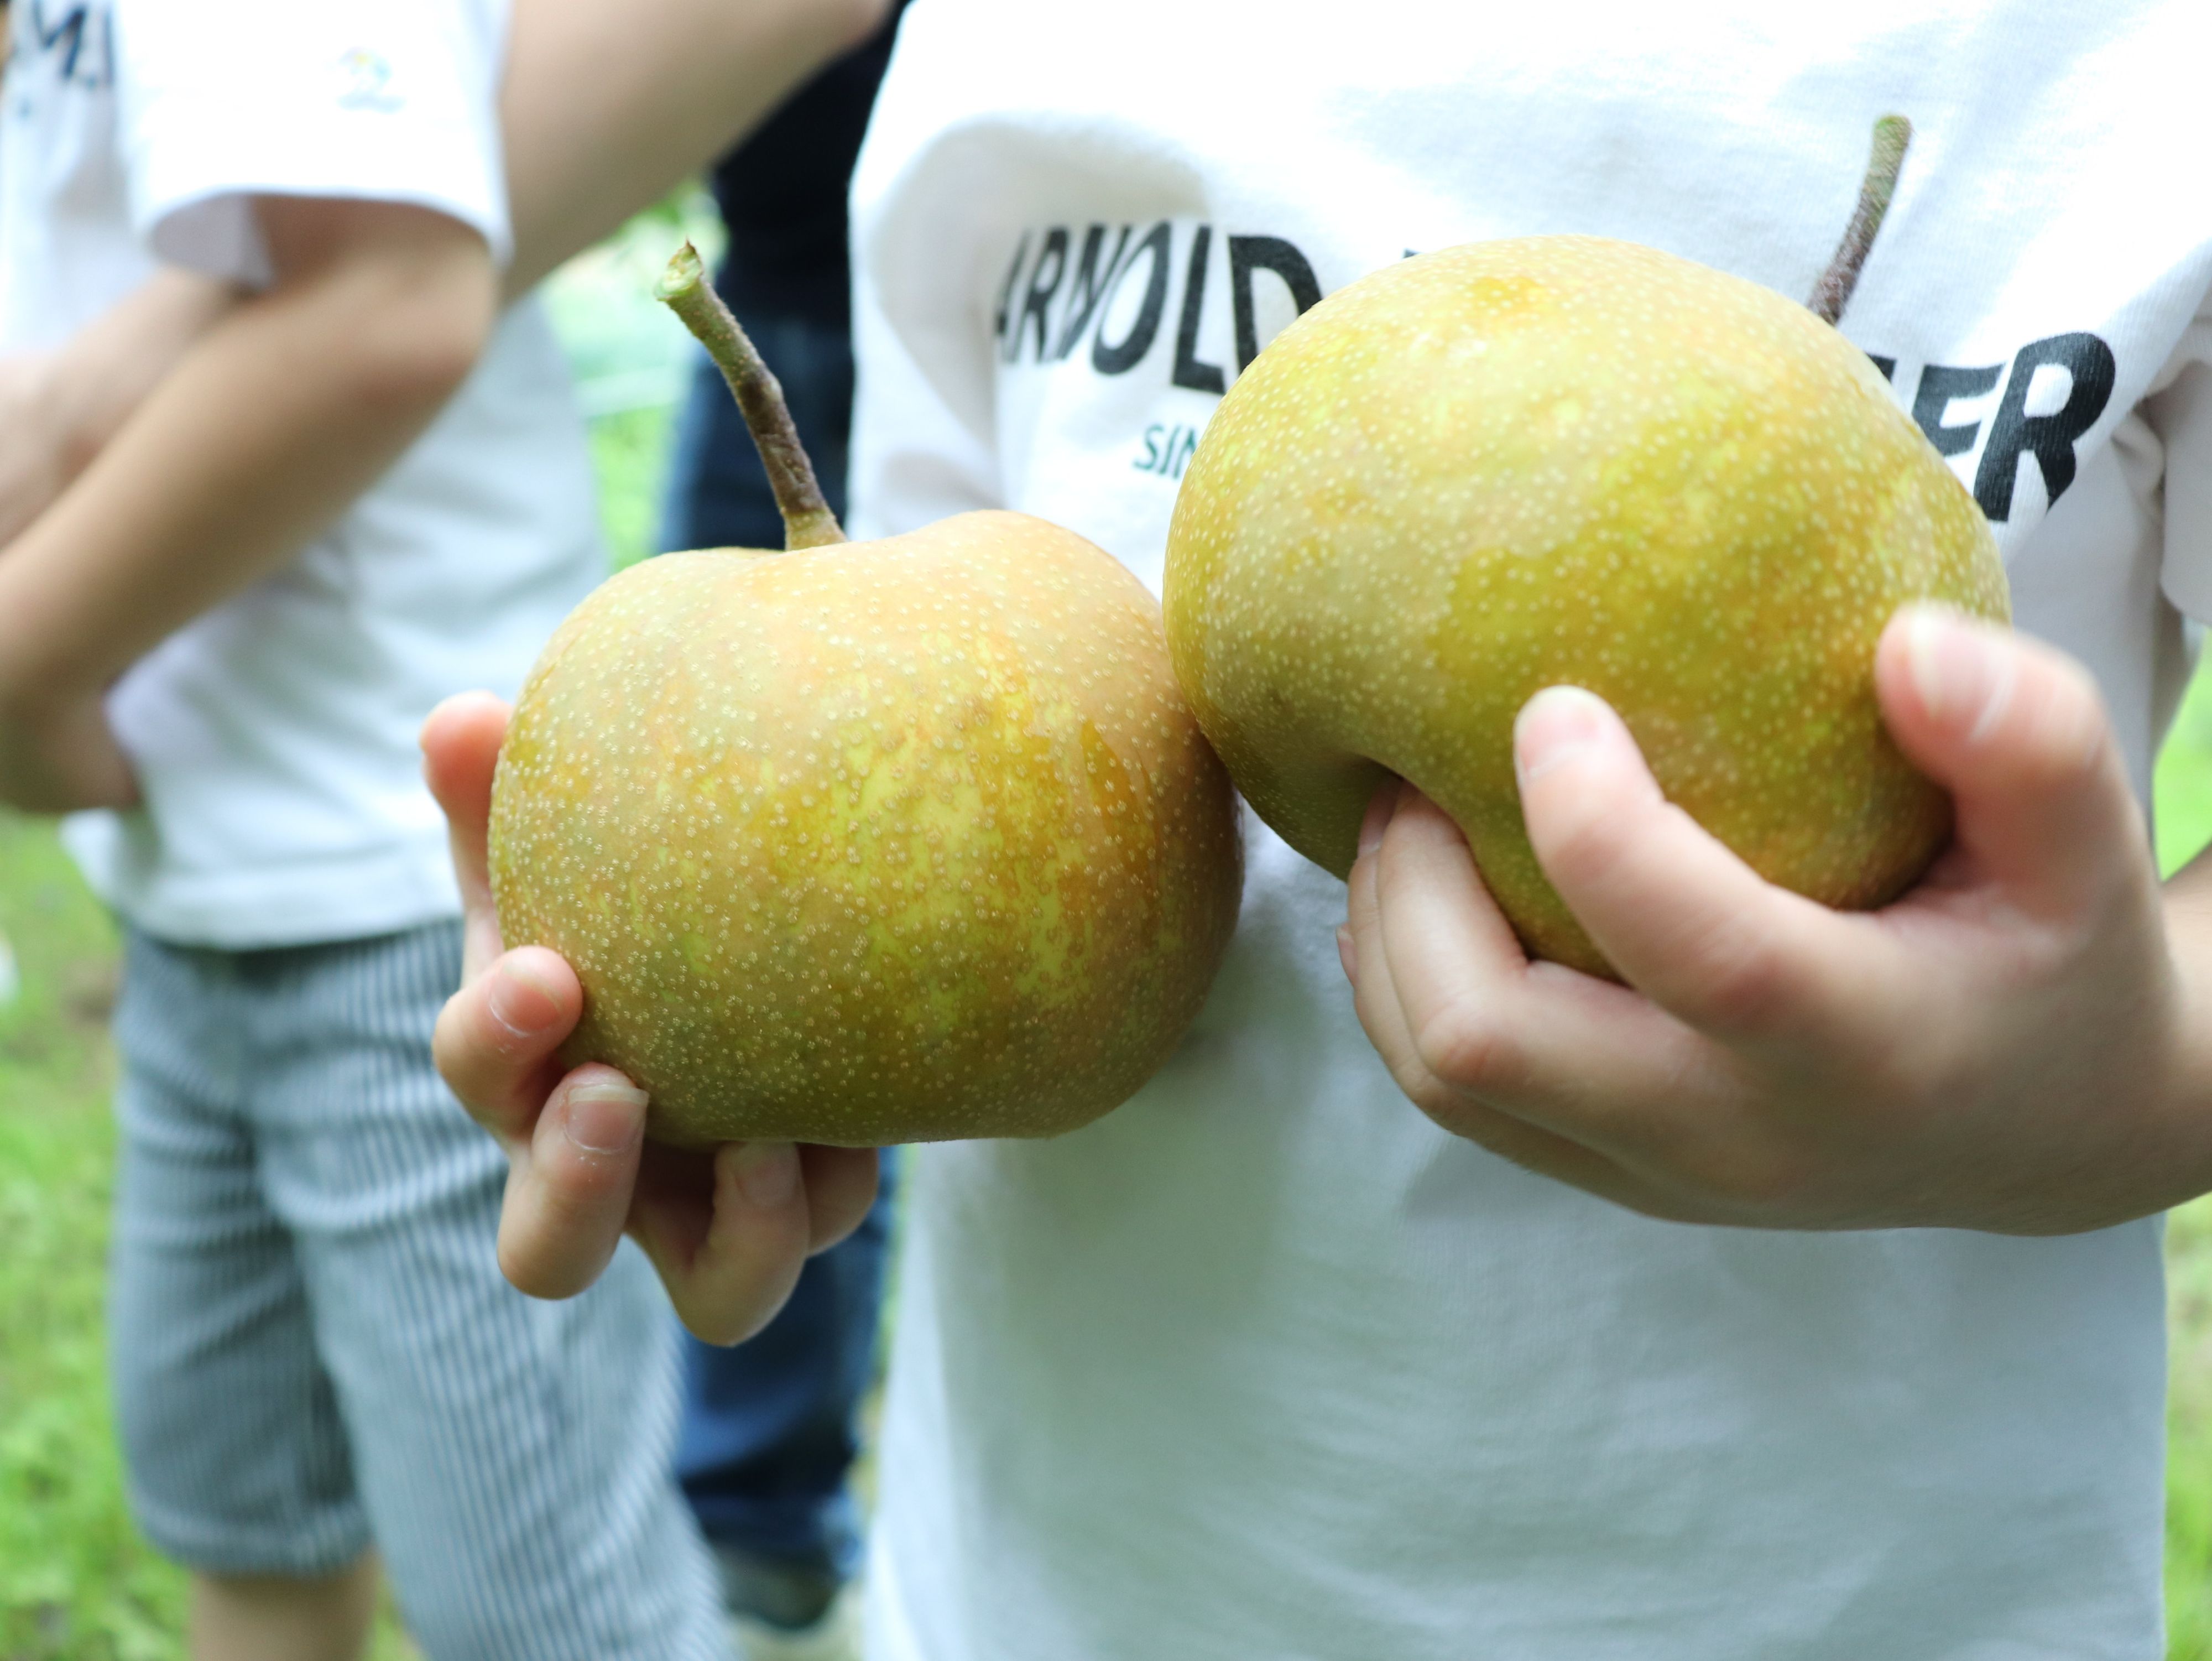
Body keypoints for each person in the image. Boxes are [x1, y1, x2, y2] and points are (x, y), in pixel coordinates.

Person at [429, 1, 2212, 1655]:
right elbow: (900, 642)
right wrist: (712, 967)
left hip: (1866, 1592)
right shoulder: (1000, 39)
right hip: (1050, 1571)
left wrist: (2130, 1090)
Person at [0, 0, 882, 1655]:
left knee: (547, 1608)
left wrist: (27, 659)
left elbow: (388, 310)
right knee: (243, 1512)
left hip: (401, 901)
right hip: (210, 866)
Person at [656, 11, 906, 1653]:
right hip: (797, 280)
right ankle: (758, 1523)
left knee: (865, 957)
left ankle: (761, 1511)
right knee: (773, 969)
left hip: (856, 296)